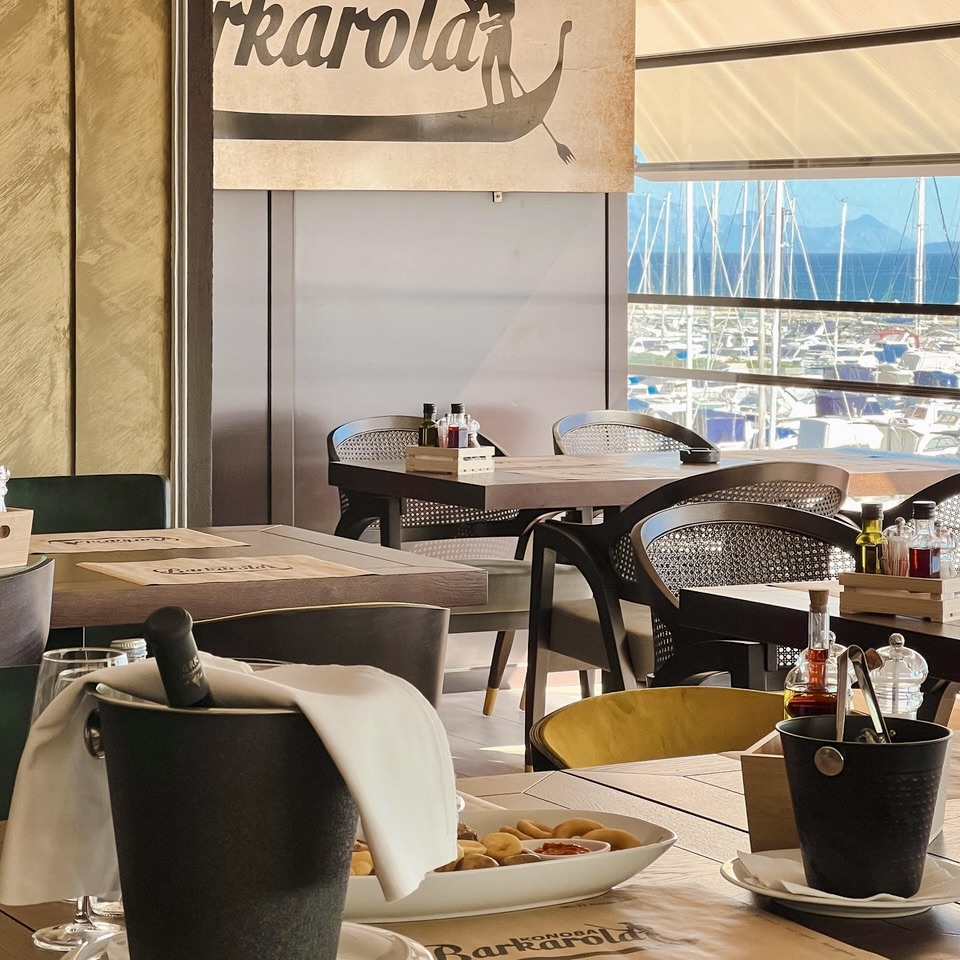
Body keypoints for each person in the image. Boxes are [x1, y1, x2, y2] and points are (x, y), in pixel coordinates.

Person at [466, 1, 516, 106]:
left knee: (502, 68)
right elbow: (476, 6)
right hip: (492, 34)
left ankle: (508, 100)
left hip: (504, 32)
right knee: (486, 68)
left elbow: (509, 15)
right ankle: (490, 103)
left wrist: (489, 24)